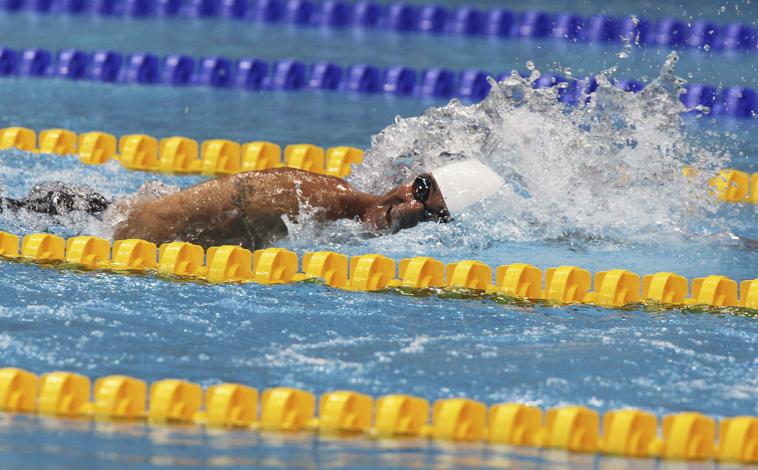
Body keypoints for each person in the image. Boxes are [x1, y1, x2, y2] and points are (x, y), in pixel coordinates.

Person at [1, 159, 504, 249]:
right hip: (133, 233)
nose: (415, 214)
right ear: (404, 186)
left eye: (433, 215)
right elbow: (158, 222)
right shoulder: (312, 197)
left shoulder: (336, 214)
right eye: (420, 196)